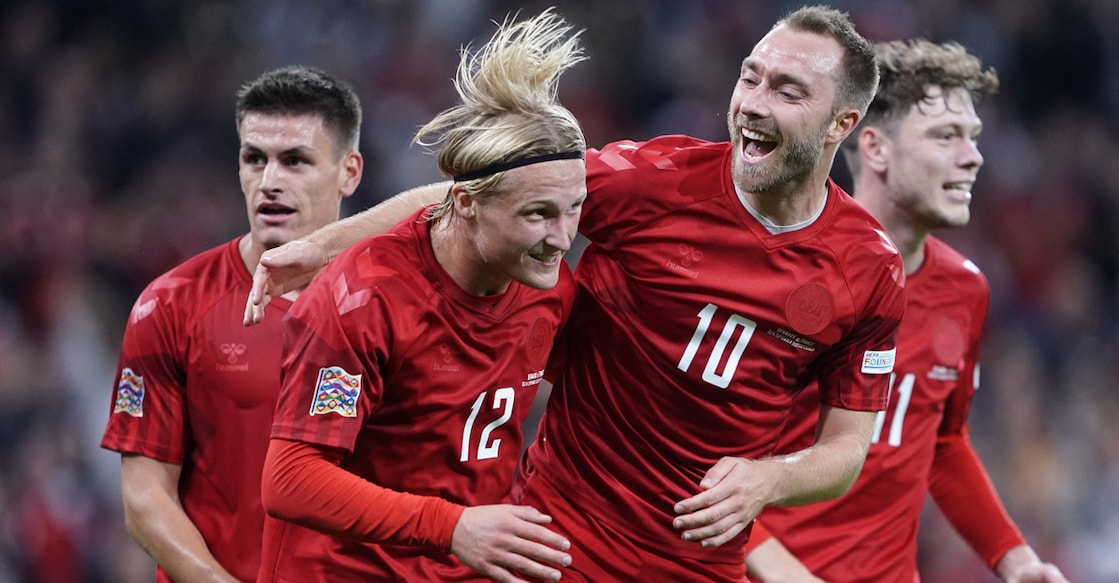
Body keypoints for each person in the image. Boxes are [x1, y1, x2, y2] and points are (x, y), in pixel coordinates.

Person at [246, 6, 904, 581]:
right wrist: (323, 247)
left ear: (841, 123)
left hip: (702, 563)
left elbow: (846, 450)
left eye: (787, 91)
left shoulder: (870, 269)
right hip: (559, 545)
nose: (753, 102)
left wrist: (770, 479)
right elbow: (497, 188)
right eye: (749, 77)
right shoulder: (655, 181)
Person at [255, 10, 584, 583]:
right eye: (537, 215)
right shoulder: (363, 300)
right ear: (467, 204)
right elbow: (291, 479)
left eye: (574, 209)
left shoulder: (548, 281)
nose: (562, 238)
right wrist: (452, 526)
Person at [742, 39, 1070, 583]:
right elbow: (694, 452)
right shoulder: (786, 273)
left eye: (973, 137)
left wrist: (1016, 560)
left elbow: (941, 441)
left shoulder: (966, 289)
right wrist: (786, 574)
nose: (973, 156)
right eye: (946, 136)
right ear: (875, 148)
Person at [100, 65, 364, 583]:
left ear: (349, 172)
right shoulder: (171, 305)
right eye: (254, 159)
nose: (269, 182)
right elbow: (145, 495)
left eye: (295, 160)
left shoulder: (395, 303)